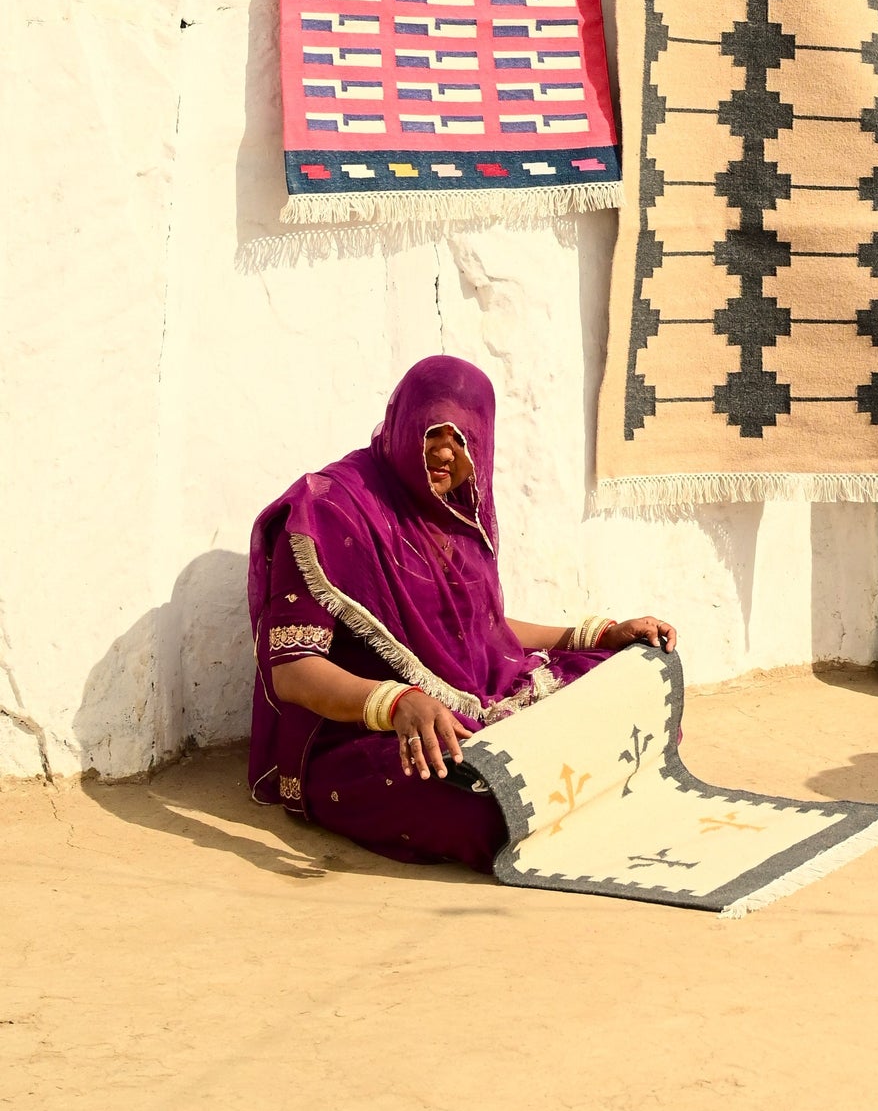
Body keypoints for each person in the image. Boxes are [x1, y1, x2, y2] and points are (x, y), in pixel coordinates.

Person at [247, 355, 676, 871]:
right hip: (370, 734)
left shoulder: (453, 514)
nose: (447, 453)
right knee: (487, 806)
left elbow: (485, 632)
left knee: (648, 673)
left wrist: (599, 635)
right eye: (434, 432)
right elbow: (292, 673)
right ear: (404, 423)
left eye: (465, 439)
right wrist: (397, 701)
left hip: (479, 704)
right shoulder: (330, 512)